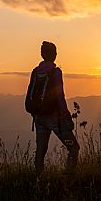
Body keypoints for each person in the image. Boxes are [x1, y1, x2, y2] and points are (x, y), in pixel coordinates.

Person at [25, 41, 79, 175]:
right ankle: (68, 179)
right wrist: (66, 116)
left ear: (42, 54)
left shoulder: (35, 72)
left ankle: (39, 180)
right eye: (55, 52)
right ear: (54, 55)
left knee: (41, 151)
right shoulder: (55, 72)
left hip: (38, 118)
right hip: (55, 119)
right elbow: (60, 96)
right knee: (73, 148)